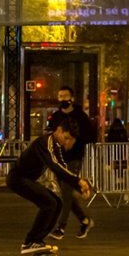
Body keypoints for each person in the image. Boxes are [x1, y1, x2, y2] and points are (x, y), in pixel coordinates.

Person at [8, 119, 93, 255]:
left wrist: (78, 186)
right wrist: (78, 182)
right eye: (66, 138)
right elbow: (55, 166)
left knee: (57, 203)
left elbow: (62, 168)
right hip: (17, 178)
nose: (66, 142)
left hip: (25, 179)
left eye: (69, 140)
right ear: (59, 130)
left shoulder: (55, 146)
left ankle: (37, 240)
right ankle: (31, 241)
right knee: (49, 203)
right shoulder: (45, 142)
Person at [47, 86, 97, 240]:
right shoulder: (55, 117)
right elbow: (50, 134)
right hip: (58, 159)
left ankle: (61, 227)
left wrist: (75, 142)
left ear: (72, 98)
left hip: (74, 158)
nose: (63, 99)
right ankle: (85, 220)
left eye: (65, 96)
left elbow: (90, 135)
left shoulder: (80, 116)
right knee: (66, 193)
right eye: (60, 96)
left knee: (67, 191)